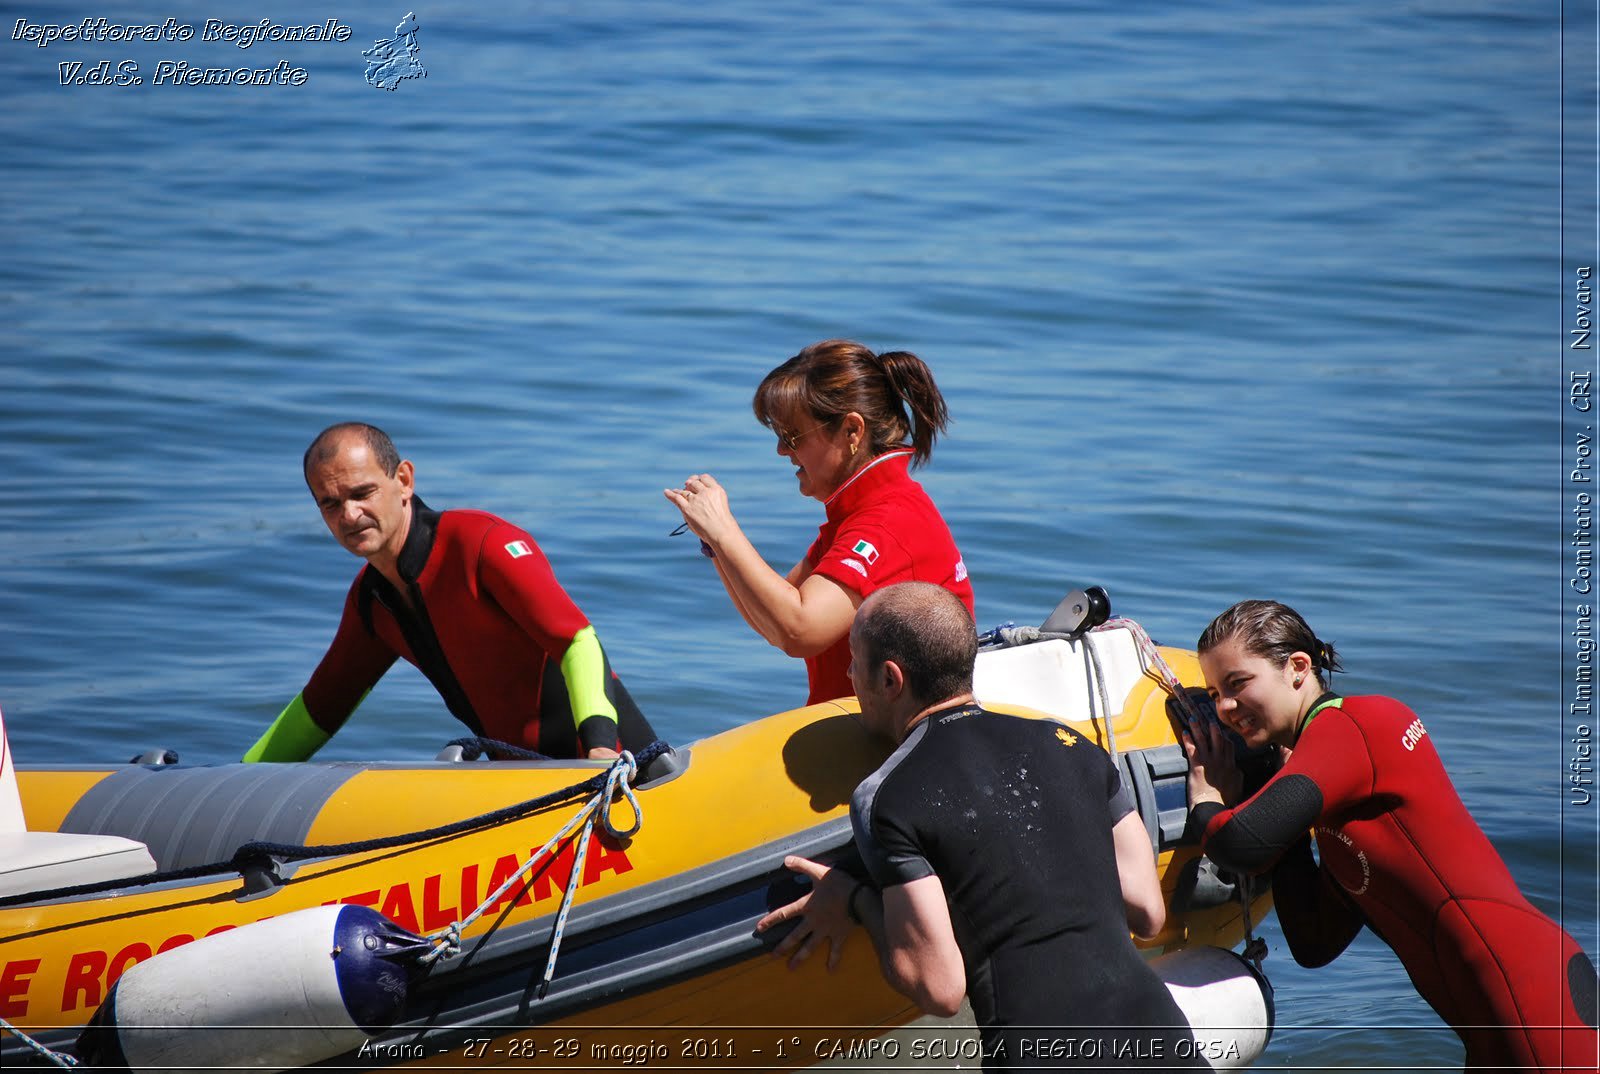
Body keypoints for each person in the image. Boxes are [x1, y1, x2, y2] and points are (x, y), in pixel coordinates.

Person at [755, 583, 1202, 1071]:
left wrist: (855, 898)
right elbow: (1147, 913)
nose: (847, 673)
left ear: (890, 678)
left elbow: (940, 988)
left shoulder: (886, 795)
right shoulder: (1068, 744)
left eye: (853, 660)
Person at [1184, 599, 1598, 1073]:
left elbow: (1239, 844)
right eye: (1214, 693)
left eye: (1237, 684)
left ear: (1297, 667)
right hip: (1493, 1021)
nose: (1224, 708)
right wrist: (1288, 826)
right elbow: (1314, 944)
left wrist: (1208, 798)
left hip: (1535, 1000)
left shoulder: (1359, 724)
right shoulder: (1341, 804)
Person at [244, 423, 657, 762]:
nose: (349, 515)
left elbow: (577, 642)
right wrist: (239, 777)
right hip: (527, 788)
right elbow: (320, 708)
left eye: (361, 493)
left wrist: (601, 750)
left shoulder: (481, 545)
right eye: (330, 504)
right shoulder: (373, 600)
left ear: (403, 480)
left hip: (618, 773)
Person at [663, 339, 973, 706]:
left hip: (901, 744)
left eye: (791, 435)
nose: (781, 450)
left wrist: (724, 530)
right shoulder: (864, 511)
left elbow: (798, 630)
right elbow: (773, 620)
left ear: (852, 431)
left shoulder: (886, 523)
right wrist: (714, 542)